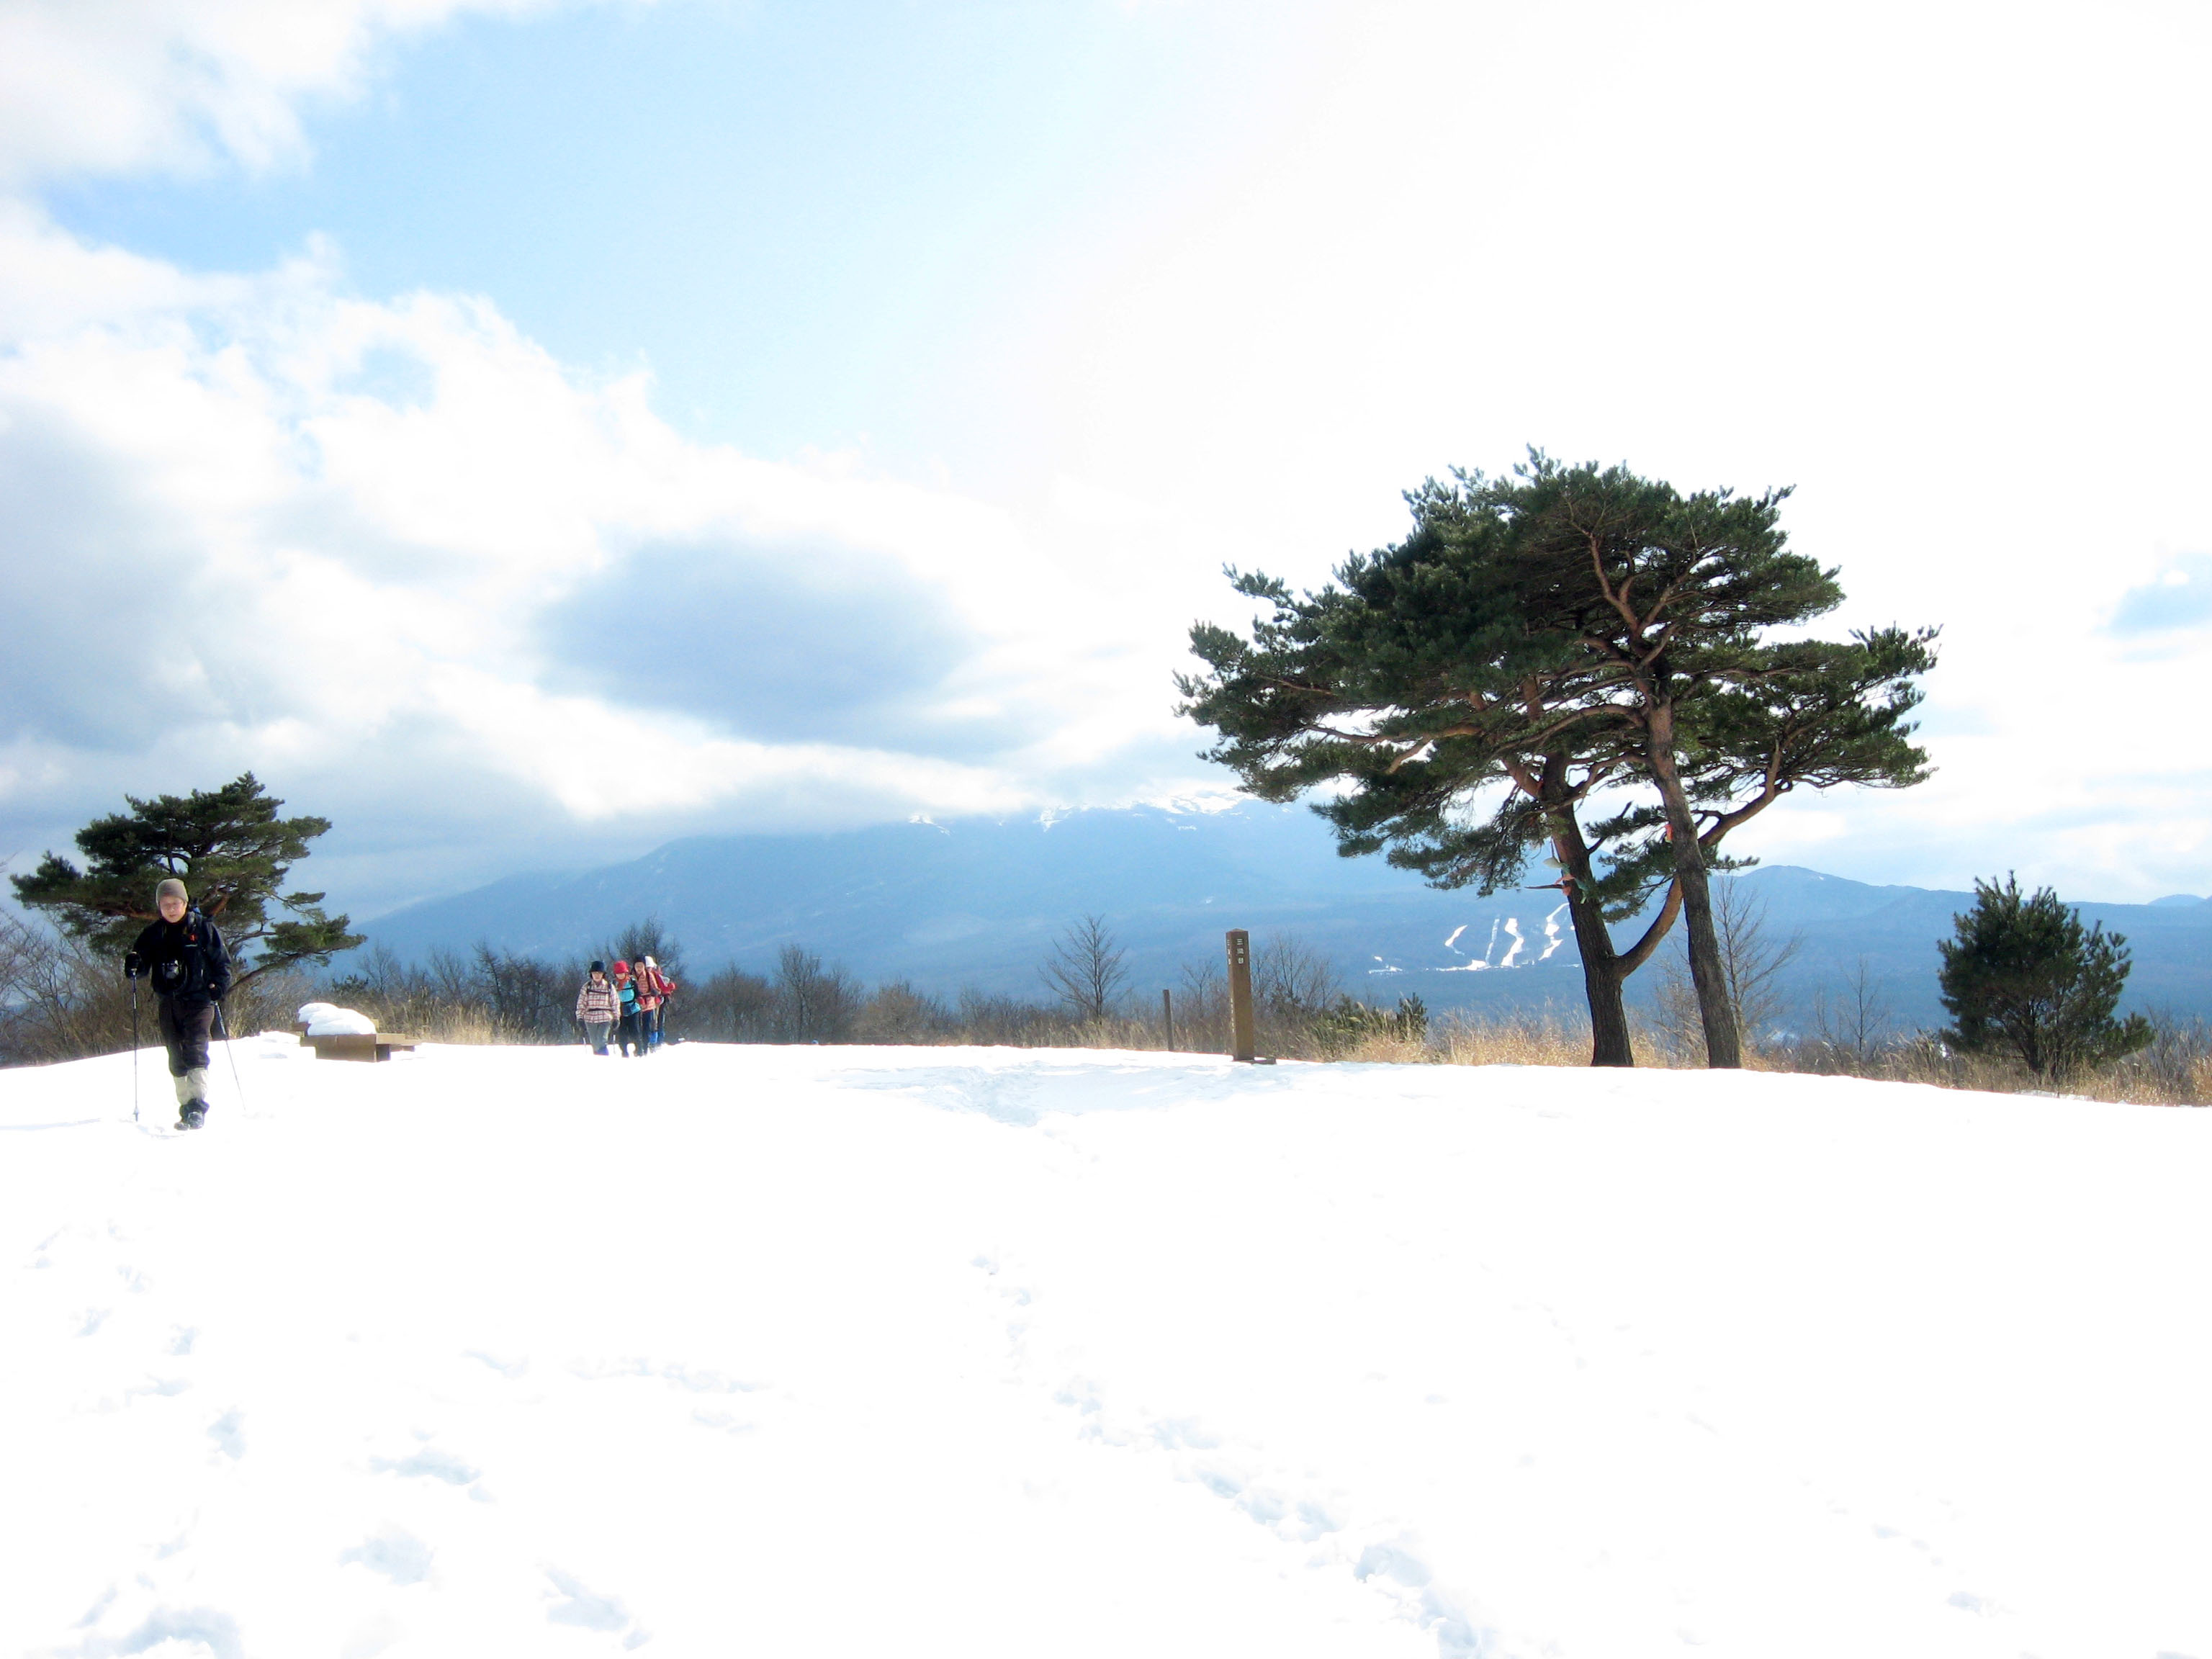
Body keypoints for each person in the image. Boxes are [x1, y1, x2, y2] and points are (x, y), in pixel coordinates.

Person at [122, 877, 233, 1130]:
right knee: (175, 1055)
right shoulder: (153, 934)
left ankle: (197, 1106)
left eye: (175, 903)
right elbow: (140, 966)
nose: (171, 909)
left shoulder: (203, 929)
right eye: (165, 904)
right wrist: (133, 967)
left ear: (184, 903)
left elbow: (222, 964)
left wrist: (218, 987)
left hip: (200, 999)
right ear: (159, 907)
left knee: (195, 1048)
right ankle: (186, 1108)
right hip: (169, 1001)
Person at [575, 961, 619, 1055]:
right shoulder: (587, 987)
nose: (597, 975)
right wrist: (580, 1017)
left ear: (603, 974)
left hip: (605, 1017)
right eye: (595, 973)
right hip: (590, 1018)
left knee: (602, 1040)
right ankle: (598, 1058)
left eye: (599, 973)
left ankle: (604, 1058)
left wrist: (616, 1018)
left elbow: (615, 1003)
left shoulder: (609, 987)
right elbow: (581, 1003)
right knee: (594, 1043)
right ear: (591, 974)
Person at [634, 955, 675, 1051]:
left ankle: (655, 1042)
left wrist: (664, 991)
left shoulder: (653, 976)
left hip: (655, 1002)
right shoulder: (652, 975)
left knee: (655, 1023)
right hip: (653, 1001)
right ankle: (653, 1042)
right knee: (652, 1023)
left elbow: (661, 988)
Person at [611, 959, 641, 1057]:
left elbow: (638, 994)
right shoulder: (613, 984)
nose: (620, 976)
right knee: (622, 1033)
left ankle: (639, 1050)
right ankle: (624, 1052)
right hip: (619, 1010)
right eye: (618, 974)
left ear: (626, 972)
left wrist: (641, 1001)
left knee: (635, 1031)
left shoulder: (632, 982)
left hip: (633, 1009)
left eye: (622, 973)